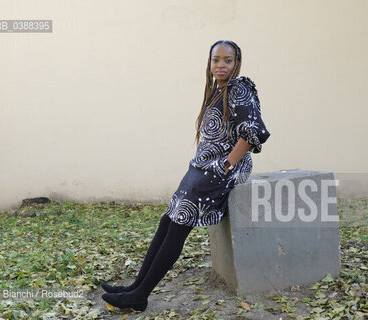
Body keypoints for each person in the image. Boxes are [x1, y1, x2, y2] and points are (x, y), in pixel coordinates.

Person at [101, 40, 270, 312]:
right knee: (167, 220)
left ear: (237, 63)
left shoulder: (239, 89)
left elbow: (252, 133)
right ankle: (135, 286)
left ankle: (139, 296)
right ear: (210, 62)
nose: (221, 65)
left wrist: (226, 165)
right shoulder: (218, 90)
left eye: (227, 60)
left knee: (179, 224)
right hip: (202, 167)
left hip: (220, 170)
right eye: (216, 60)